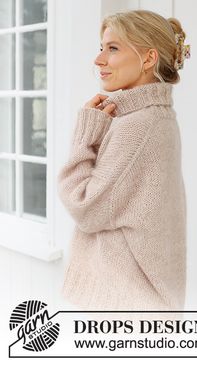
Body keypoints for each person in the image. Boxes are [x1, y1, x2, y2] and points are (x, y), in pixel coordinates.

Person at [57, 9, 190, 314]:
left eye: (113, 48)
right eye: (100, 48)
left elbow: (85, 207)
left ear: (148, 59)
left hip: (123, 304)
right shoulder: (156, 117)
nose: (99, 59)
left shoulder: (138, 125)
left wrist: (84, 139)